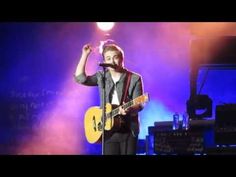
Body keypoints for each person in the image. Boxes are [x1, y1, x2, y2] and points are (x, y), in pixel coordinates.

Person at [74, 41, 144, 155]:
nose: (112, 61)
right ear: (105, 61)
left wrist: (129, 109)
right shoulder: (101, 76)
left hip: (128, 129)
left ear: (122, 59)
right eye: (108, 58)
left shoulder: (134, 78)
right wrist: (85, 55)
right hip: (107, 129)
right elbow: (80, 78)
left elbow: (140, 103)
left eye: (115, 57)